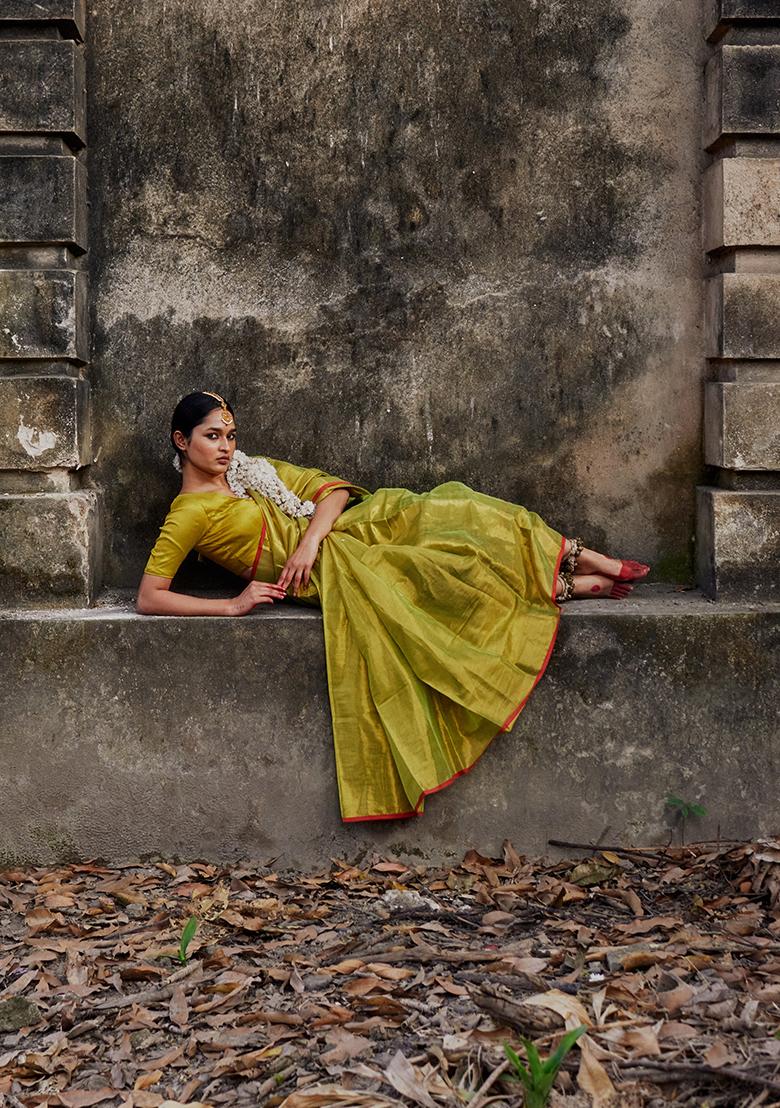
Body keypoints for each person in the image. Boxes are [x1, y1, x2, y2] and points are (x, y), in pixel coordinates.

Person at [137, 391, 650, 821]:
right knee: (448, 568)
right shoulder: (189, 513)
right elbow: (149, 596)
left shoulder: (253, 472)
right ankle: (568, 586)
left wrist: (310, 539)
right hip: (335, 574)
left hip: (343, 533)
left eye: (230, 435)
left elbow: (333, 491)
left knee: (457, 511)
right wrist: (234, 604)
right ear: (182, 441)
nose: (225, 447)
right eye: (211, 436)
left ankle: (583, 558)